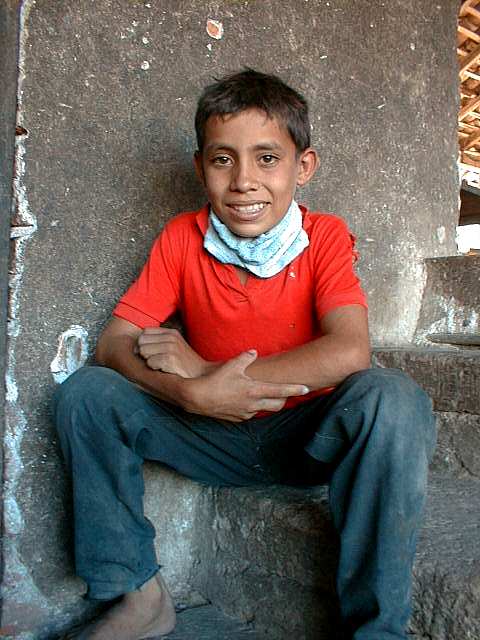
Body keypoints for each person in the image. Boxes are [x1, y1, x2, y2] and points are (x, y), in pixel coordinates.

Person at [54, 68, 436, 640]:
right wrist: (190, 393)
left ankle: (377, 631)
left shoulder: (324, 237)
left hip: (306, 438)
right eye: (222, 159)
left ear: (303, 167)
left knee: (394, 398)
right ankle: (139, 595)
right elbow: (113, 343)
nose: (243, 182)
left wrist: (208, 372)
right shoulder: (183, 238)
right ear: (200, 167)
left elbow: (350, 350)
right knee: (86, 394)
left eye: (267, 158)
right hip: (208, 433)